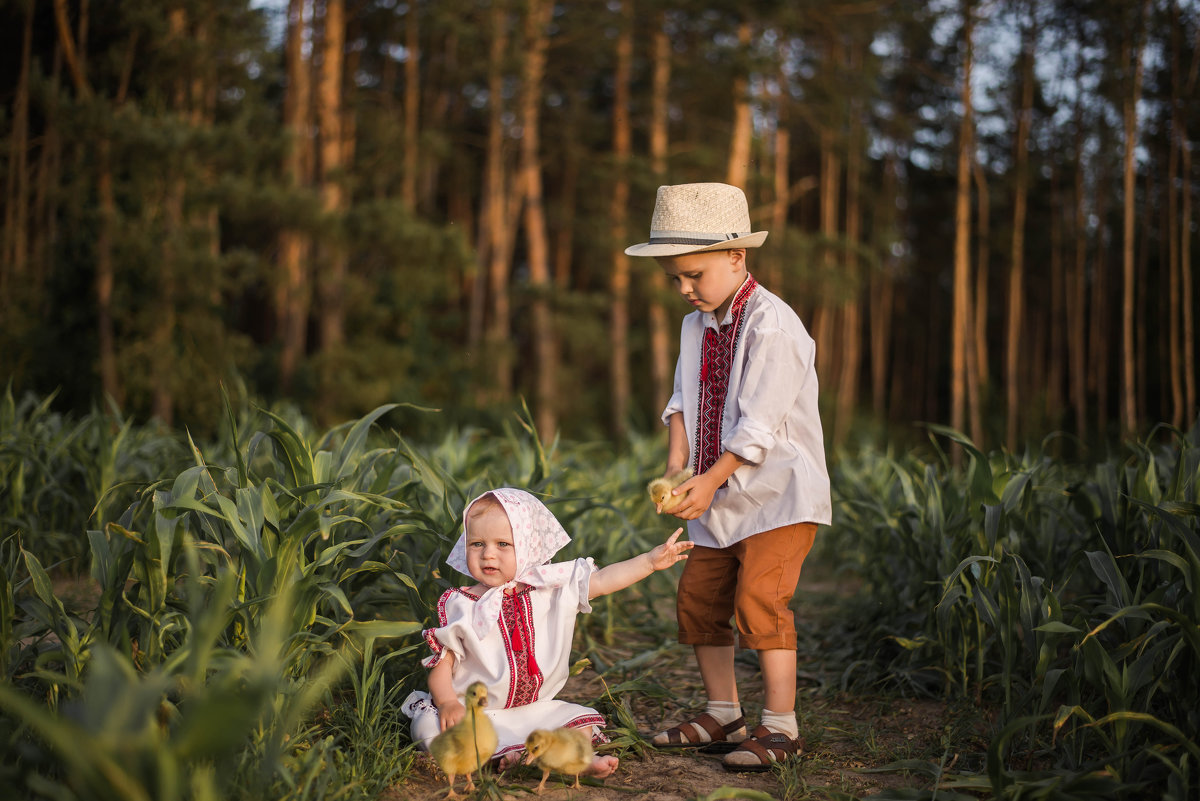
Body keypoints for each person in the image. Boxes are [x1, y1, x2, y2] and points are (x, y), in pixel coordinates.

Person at [624, 182, 832, 772]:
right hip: (719, 493)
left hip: (779, 496)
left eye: (694, 274)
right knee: (700, 598)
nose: (685, 289)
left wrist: (711, 479)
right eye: (675, 279)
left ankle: (782, 727)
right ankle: (724, 712)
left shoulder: (774, 326)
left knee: (759, 599)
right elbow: (682, 402)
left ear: (736, 256)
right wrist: (677, 468)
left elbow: (759, 428)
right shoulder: (697, 327)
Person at [402, 487, 693, 778]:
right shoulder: (462, 605)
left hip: (535, 710)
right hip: (474, 714)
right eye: (477, 544)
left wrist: (649, 562)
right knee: (428, 727)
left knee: (579, 724)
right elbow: (443, 664)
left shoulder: (550, 588)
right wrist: (448, 702)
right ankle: (512, 757)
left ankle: (574, 759)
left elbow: (603, 581)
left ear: (530, 545)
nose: (488, 553)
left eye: (503, 543)